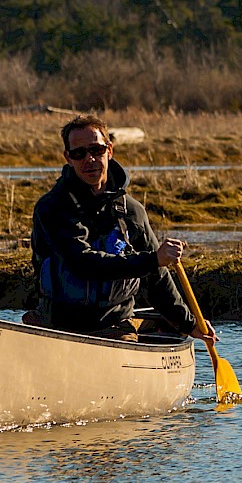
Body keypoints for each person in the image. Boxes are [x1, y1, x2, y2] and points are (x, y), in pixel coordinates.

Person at [29, 115, 203, 339]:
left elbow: (156, 278)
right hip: (58, 324)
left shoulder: (132, 211)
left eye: (96, 150)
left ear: (109, 150)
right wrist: (152, 259)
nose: (89, 159)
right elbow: (82, 263)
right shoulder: (51, 208)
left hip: (116, 324)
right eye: (79, 153)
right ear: (68, 158)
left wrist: (188, 324)